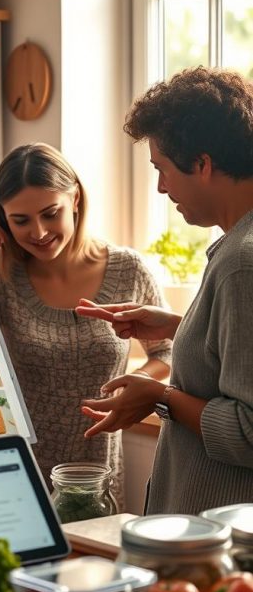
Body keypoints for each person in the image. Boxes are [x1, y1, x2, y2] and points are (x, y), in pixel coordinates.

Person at [0, 143, 171, 502]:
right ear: (2, 221)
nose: (39, 232)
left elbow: (166, 350)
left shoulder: (129, 270)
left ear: (74, 198)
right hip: (16, 474)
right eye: (21, 220)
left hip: (97, 475)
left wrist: (130, 386)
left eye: (50, 213)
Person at [77, 66, 253, 515]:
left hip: (221, 536)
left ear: (202, 164)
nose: (160, 187)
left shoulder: (241, 263)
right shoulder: (238, 249)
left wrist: (160, 397)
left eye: (163, 169)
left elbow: (249, 432)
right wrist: (179, 324)